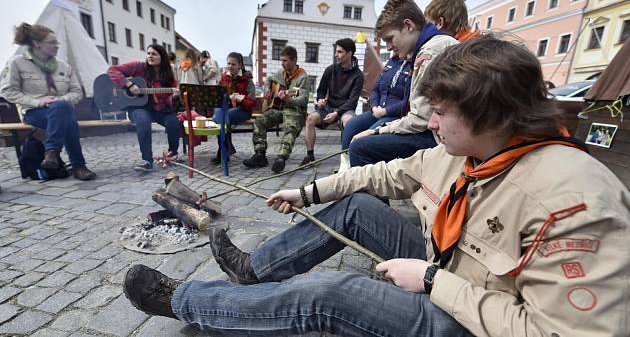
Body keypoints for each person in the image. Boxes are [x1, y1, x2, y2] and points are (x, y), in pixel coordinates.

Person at [123, 34, 630, 337]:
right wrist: (309, 193)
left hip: (473, 320)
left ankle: (188, 302)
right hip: (452, 268)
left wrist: (433, 282)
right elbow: (390, 173)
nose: (430, 122)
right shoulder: (473, 150)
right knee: (354, 206)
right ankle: (252, 273)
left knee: (333, 293)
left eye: (442, 112)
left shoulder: (574, 201)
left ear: (488, 112)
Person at [348, 0, 457, 167]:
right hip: (443, 131)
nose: (389, 46)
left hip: (442, 139)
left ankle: (362, 191)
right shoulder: (431, 46)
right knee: (357, 132)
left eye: (390, 39)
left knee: (359, 148)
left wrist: (377, 132)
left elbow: (420, 120)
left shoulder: (429, 53)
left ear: (408, 25)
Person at [0, 23, 96, 180]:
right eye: (52, 42)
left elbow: (77, 92)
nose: (57, 46)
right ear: (37, 44)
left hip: (62, 110)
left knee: (64, 113)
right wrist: (37, 102)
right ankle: (78, 166)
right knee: (68, 120)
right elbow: (6, 91)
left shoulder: (64, 66)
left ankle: (52, 153)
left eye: (57, 42)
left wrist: (60, 101)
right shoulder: (17, 63)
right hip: (33, 112)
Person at [107, 44, 180, 172]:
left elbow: (168, 100)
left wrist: (174, 97)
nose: (150, 56)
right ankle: (147, 160)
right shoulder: (138, 67)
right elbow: (112, 70)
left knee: (173, 121)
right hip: (138, 107)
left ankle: (172, 155)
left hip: (159, 109)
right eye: (148, 53)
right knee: (143, 120)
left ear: (162, 57)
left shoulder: (168, 77)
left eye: (154, 54)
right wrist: (128, 85)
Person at [339, 49, 411, 170]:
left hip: (395, 114)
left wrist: (385, 111)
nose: (390, 47)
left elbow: (409, 101)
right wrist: (374, 106)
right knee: (351, 125)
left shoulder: (413, 65)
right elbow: (376, 89)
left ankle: (361, 172)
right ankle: (345, 166)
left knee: (365, 138)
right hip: (377, 110)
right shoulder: (392, 62)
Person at [243, 46, 310, 173]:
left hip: (295, 110)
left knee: (290, 127)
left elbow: (304, 99)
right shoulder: (281, 73)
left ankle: (281, 158)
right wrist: (267, 88)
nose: (282, 63)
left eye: (285, 61)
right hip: (279, 108)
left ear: (294, 60)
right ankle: (260, 154)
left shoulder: (303, 77)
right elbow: (269, 79)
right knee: (260, 121)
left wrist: (288, 100)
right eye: (282, 60)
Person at [301, 38, 363, 166]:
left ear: (349, 53)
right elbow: (321, 90)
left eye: (340, 52)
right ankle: (310, 156)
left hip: (346, 109)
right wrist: (320, 100)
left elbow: (352, 101)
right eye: (336, 51)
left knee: (349, 122)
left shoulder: (358, 75)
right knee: (310, 119)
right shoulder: (330, 69)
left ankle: (345, 159)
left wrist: (337, 113)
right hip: (328, 106)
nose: (336, 55)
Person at [212, 52, 256, 164]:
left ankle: (222, 151)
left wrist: (241, 100)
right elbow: (217, 97)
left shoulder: (248, 80)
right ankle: (225, 149)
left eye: (233, 64)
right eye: (228, 63)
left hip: (243, 110)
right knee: (218, 114)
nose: (230, 66)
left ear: (240, 65)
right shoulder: (223, 78)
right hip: (226, 110)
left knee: (220, 117)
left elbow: (252, 103)